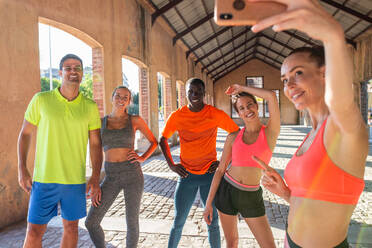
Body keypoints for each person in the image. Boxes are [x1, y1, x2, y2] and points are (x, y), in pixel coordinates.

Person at [248, 0, 368, 247]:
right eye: (284, 79)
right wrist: (286, 193)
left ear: (325, 73)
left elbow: (341, 101)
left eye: (298, 73)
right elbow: (318, 202)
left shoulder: (342, 125)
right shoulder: (312, 132)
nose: (289, 85)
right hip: (290, 241)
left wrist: (333, 36)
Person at [17, 54, 102, 248]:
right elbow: (25, 134)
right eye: (68, 67)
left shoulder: (89, 106)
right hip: (44, 179)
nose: (73, 71)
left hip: (74, 180)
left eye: (78, 68)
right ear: (60, 72)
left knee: (71, 228)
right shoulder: (41, 100)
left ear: (82, 73)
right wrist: (22, 168)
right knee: (34, 231)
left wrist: (95, 177)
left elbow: (96, 143)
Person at [160, 78, 239, 248]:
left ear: (204, 93)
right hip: (186, 176)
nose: (194, 95)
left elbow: (236, 134)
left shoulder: (214, 114)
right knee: (178, 221)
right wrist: (171, 165)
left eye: (198, 92)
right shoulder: (178, 115)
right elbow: (163, 139)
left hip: (209, 177)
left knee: (212, 221)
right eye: (191, 91)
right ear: (186, 93)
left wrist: (223, 162)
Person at [204, 85, 280, 248]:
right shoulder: (233, 137)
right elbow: (220, 170)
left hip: (251, 196)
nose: (247, 110)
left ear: (257, 106)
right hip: (226, 191)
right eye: (242, 108)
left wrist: (240, 88)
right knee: (232, 243)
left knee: (268, 245)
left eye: (250, 104)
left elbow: (272, 96)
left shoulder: (270, 133)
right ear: (238, 113)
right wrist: (208, 203)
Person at [85, 86, 158, 248]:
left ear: (129, 101)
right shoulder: (101, 123)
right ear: (112, 97)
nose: (121, 99)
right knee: (91, 222)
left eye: (126, 97)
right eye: (118, 96)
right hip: (111, 176)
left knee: (132, 221)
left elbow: (154, 142)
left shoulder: (134, 120)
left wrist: (142, 157)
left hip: (133, 174)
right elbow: (95, 150)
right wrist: (95, 178)